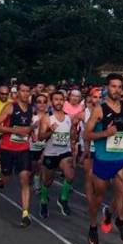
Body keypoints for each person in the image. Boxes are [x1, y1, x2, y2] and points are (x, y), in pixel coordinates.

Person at [85, 73, 123, 244]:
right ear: (107, 88)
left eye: (119, 86)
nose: (117, 90)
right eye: (113, 86)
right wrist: (105, 133)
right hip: (103, 159)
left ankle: (121, 221)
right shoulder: (99, 109)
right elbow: (86, 134)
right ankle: (93, 226)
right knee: (98, 197)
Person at [0, 82, 38, 227]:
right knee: (6, 181)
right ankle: (1, 173)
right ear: (17, 92)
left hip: (23, 148)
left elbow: (28, 127)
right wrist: (15, 131)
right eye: (23, 91)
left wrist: (32, 133)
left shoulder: (31, 108)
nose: (25, 93)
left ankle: (25, 213)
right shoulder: (10, 107)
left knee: (24, 179)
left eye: (27, 91)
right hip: (7, 148)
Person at [37, 91, 78, 219]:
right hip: (50, 153)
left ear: (64, 101)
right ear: (51, 101)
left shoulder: (68, 118)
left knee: (70, 175)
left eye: (61, 99)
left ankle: (63, 199)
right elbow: (40, 137)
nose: (59, 102)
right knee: (47, 182)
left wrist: (74, 136)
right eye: (56, 99)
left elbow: (72, 135)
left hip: (64, 152)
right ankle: (43, 201)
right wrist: (50, 131)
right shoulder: (47, 118)